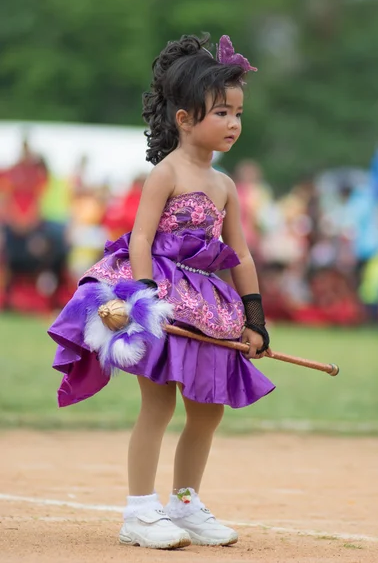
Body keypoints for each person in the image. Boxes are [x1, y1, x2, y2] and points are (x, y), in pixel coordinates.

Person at [48, 34, 275, 550]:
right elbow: (143, 238)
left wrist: (255, 317)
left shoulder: (227, 187)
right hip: (162, 297)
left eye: (239, 113)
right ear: (185, 119)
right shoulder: (165, 173)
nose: (235, 123)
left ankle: (185, 503)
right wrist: (147, 299)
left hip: (209, 307)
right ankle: (139, 511)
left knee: (208, 408)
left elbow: (240, 253)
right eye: (223, 112)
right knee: (158, 406)